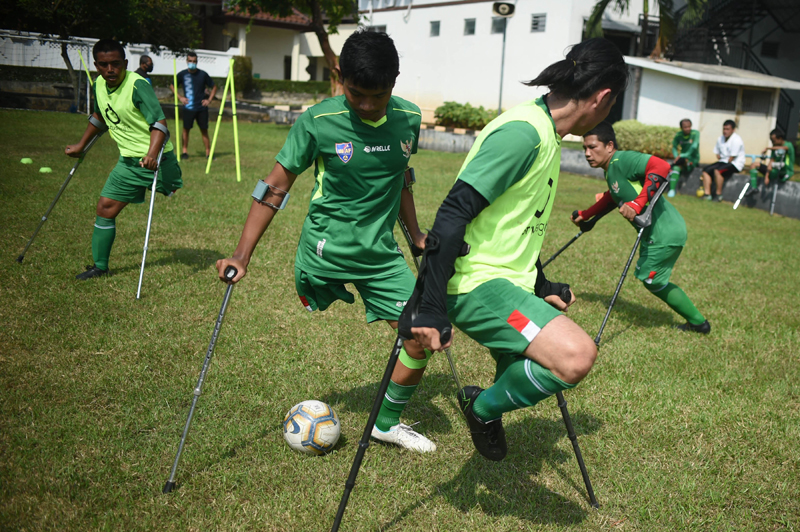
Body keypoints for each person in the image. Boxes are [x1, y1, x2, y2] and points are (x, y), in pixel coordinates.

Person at [400, 38, 628, 462]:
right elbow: (452, 214)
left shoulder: (548, 133)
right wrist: (429, 305)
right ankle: (481, 408)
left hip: (509, 284)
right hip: (476, 285)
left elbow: (513, 223)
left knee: (526, 368)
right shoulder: (524, 134)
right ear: (603, 97)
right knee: (576, 356)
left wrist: (541, 283)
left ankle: (489, 401)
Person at [215, 30, 436, 452]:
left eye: (379, 94)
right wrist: (242, 255)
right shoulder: (317, 121)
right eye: (357, 94)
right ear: (340, 77)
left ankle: (385, 424)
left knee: (422, 336)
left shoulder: (408, 117)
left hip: (380, 256)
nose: (368, 105)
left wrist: (416, 232)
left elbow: (400, 177)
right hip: (325, 252)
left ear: (395, 80)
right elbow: (275, 187)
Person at [573, 122, 709, 334]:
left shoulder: (622, 159)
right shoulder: (611, 170)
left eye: (592, 147)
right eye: (585, 149)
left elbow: (662, 167)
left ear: (609, 145)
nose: (587, 153)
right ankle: (698, 323)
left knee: (652, 280)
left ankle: (699, 323)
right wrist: (586, 215)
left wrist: (637, 205)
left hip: (664, 232)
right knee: (651, 278)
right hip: (656, 232)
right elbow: (612, 196)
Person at [65, 39, 182, 280]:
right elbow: (100, 116)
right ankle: (100, 267)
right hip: (128, 163)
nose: (110, 70)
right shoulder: (98, 84)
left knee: (171, 187)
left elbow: (159, 123)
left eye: (116, 64)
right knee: (105, 208)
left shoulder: (137, 85)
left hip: (157, 160)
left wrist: (151, 155)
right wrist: (80, 145)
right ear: (96, 65)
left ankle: (166, 187)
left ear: (125, 64)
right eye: (104, 65)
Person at [169, 52, 217, 160]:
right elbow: (172, 85)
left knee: (204, 129)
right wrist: (180, 97)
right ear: (187, 61)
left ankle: (208, 153)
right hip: (188, 107)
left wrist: (209, 100)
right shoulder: (182, 74)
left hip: (201, 108)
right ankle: (184, 151)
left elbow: (214, 87)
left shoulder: (203, 74)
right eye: (190, 61)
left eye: (194, 61)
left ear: (197, 62)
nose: (192, 63)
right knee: (186, 129)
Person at [701, 119, 745, 201]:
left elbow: (731, 159)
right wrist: (720, 157)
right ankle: (707, 194)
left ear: (733, 130)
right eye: (724, 129)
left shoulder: (737, 140)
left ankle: (718, 195)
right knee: (706, 170)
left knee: (718, 171)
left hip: (735, 164)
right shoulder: (720, 138)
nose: (725, 131)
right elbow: (717, 154)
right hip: (723, 162)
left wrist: (720, 162)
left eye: (727, 129)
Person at [747, 128, 795, 194]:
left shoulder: (788, 145)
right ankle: (754, 187)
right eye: (771, 141)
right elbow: (771, 161)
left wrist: (768, 148)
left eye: (773, 141)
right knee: (754, 165)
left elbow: (784, 148)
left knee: (782, 165)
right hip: (775, 171)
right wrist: (767, 176)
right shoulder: (774, 148)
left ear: (780, 138)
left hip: (785, 171)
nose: (772, 143)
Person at [667, 118, 699, 197]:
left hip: (692, 159)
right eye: (685, 127)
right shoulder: (679, 135)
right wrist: (676, 157)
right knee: (676, 168)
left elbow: (694, 147)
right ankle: (672, 190)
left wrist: (682, 156)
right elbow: (674, 147)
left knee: (684, 163)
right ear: (681, 128)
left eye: (689, 127)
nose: (687, 129)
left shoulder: (695, 134)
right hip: (682, 159)